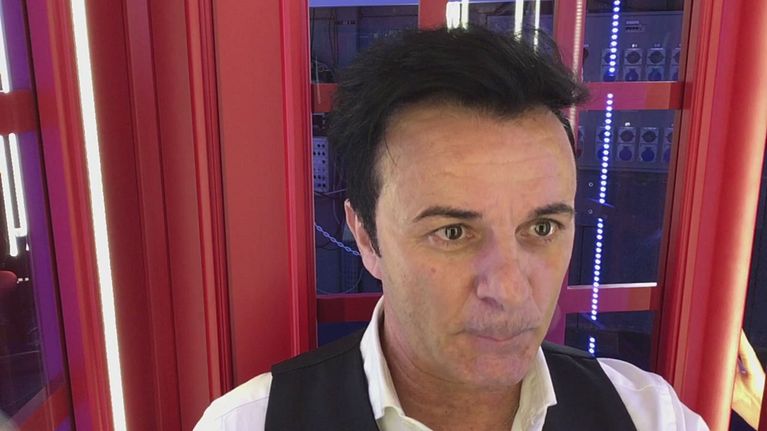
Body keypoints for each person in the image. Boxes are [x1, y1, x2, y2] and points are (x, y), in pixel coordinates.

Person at [195, 27, 708, 430]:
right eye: (454, 233)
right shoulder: (246, 424)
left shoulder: (650, 417)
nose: (509, 289)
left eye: (543, 226)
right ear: (366, 236)